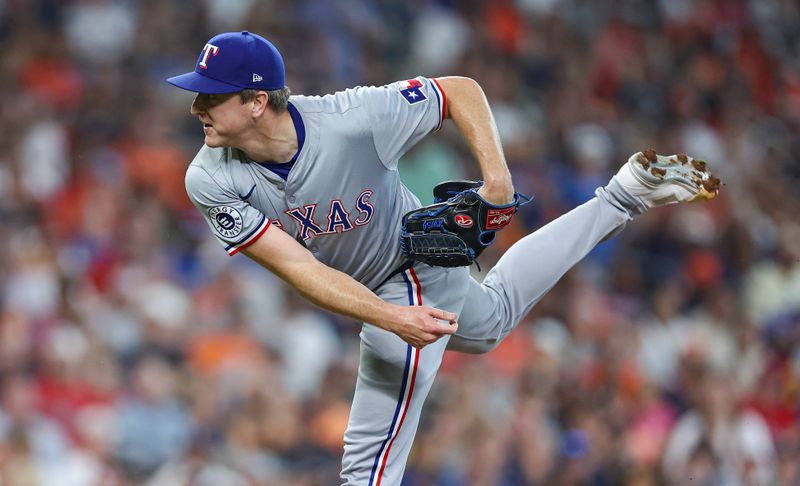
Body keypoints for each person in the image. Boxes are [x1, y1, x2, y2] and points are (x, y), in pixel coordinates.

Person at [167, 31, 719, 485]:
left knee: (366, 465)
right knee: (491, 321)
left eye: (211, 96)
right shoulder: (209, 177)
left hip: (412, 262)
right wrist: (389, 317)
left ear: (258, 102)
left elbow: (458, 90)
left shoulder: (351, 119)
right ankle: (622, 195)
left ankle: (620, 197)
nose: (197, 107)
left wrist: (498, 181)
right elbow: (299, 268)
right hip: (378, 294)